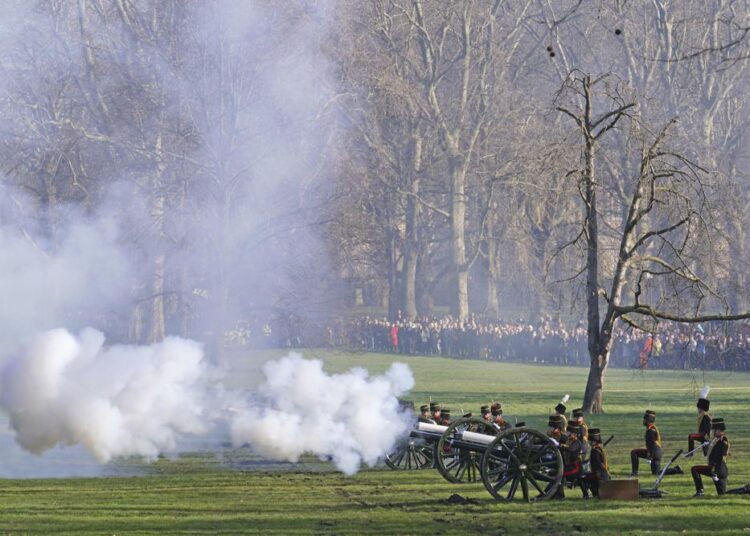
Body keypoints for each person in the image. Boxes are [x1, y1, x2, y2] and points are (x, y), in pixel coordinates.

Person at [630, 410, 683, 477]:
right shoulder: (653, 428)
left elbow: (651, 444)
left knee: (634, 452)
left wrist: (650, 456)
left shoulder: (650, 430)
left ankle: (634, 472)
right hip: (657, 453)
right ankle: (676, 470)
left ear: (647, 420)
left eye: (644, 419)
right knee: (656, 473)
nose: (643, 421)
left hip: (654, 452)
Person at [691, 418, 730, 497]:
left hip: (718, 470)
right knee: (722, 494)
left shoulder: (723, 441)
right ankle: (700, 491)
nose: (712, 432)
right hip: (716, 469)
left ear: (719, 430)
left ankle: (700, 491)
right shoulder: (716, 440)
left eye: (714, 430)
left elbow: (720, 456)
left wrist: (714, 469)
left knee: (694, 469)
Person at [582, 428, 610, 498]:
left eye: (590, 440)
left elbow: (598, 464)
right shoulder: (599, 449)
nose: (589, 442)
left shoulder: (595, 451)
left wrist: (597, 473)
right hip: (602, 473)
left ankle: (588, 494)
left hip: (600, 475)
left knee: (582, 478)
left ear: (594, 441)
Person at [561, 422, 586, 497]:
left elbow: (570, 449)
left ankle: (586, 494)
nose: (568, 434)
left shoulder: (577, 442)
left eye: (570, 433)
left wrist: (561, 446)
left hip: (576, 466)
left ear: (574, 434)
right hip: (571, 464)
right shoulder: (570, 441)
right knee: (580, 480)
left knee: (562, 475)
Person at [687, 386, 711, 456]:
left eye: (699, 408)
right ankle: (691, 453)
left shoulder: (706, 417)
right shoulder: (702, 415)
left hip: (704, 435)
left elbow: (707, 428)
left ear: (702, 408)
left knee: (691, 436)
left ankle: (690, 453)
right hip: (702, 434)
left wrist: (703, 435)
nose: (698, 409)